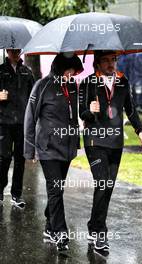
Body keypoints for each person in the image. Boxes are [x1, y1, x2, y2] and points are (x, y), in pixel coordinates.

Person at [79, 50, 142, 254]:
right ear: (97, 63)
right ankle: (100, 233)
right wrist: (90, 111)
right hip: (95, 141)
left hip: (115, 142)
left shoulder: (122, 81)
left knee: (107, 187)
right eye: (106, 61)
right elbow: (82, 112)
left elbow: (131, 108)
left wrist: (140, 129)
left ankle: (93, 225)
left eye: (114, 60)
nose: (111, 64)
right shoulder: (88, 83)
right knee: (102, 183)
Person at [24, 53, 83, 251]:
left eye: (74, 72)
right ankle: (61, 233)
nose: (71, 75)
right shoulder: (42, 86)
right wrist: (29, 150)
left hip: (66, 148)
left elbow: (73, 117)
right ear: (59, 69)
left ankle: (49, 227)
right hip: (47, 148)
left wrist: (76, 141)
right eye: (69, 71)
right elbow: (30, 118)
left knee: (57, 190)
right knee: (55, 189)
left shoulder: (73, 86)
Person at [0, 49, 34, 208]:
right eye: (12, 50)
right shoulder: (0, 71)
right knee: (4, 158)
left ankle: (16, 194)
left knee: (20, 160)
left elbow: (34, 96)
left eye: (18, 50)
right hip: (3, 123)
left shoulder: (27, 72)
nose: (15, 53)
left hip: (22, 123)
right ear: (7, 51)